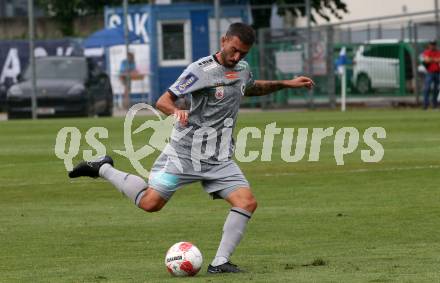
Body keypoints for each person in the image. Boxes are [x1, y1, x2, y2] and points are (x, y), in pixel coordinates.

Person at [69, 23, 314, 273]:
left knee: (246, 202)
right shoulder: (200, 70)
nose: (238, 56)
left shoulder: (242, 68)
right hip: (184, 154)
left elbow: (250, 87)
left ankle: (220, 263)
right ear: (223, 40)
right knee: (150, 203)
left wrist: (287, 83)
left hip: (219, 158)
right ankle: (103, 168)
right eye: (234, 50)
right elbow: (163, 100)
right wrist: (177, 112)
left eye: (244, 53)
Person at [422, 41, 440, 109]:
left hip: (438, 72)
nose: (433, 46)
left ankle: (434, 105)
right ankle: (425, 105)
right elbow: (426, 60)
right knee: (427, 88)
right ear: (429, 45)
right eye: (431, 44)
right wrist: (435, 60)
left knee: (436, 89)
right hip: (429, 72)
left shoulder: (438, 52)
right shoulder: (427, 52)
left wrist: (431, 59)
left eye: (434, 45)